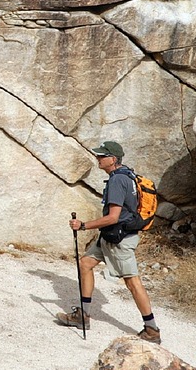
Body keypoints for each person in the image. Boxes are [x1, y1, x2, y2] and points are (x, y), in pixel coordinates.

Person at [55, 141, 161, 343]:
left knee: (132, 282)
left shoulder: (117, 181)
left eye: (101, 156)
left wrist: (84, 225)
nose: (98, 159)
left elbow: (113, 217)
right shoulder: (127, 175)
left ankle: (152, 329)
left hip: (119, 240)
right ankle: (82, 316)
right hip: (110, 236)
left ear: (113, 159)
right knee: (86, 264)